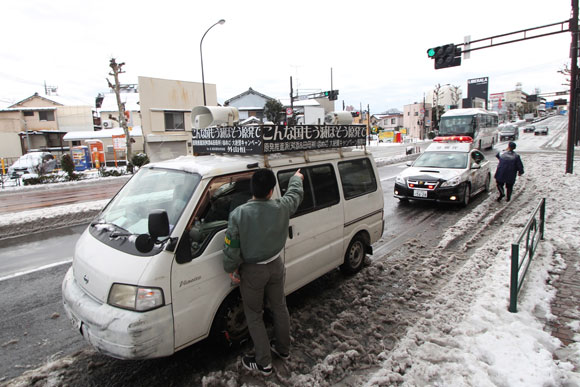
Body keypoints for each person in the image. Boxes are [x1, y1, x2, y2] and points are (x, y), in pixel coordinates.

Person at [223, 168, 304, 376]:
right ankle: (283, 350)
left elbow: (232, 246)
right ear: (271, 191)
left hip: (252, 271)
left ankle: (263, 362)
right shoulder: (281, 207)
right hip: (276, 265)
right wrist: (296, 179)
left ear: (252, 189)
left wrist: (231, 268)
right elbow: (294, 195)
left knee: (254, 315)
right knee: (279, 307)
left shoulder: (239, 214)